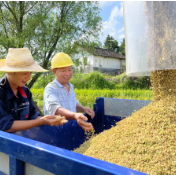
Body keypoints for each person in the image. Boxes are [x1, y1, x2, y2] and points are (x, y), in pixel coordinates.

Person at [0, 48, 68, 132]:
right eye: (25, 73)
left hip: (23, 140)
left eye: (30, 73)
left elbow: (33, 115)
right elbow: (6, 126)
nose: (29, 78)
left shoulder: (26, 92)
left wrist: (46, 119)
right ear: (9, 71)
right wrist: (40, 121)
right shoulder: (1, 92)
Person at [44, 52, 95, 131]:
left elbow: (74, 104)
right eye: (63, 71)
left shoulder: (70, 86)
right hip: (56, 132)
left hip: (71, 129)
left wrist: (84, 109)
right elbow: (55, 109)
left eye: (70, 70)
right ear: (54, 71)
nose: (67, 74)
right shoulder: (51, 88)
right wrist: (75, 116)